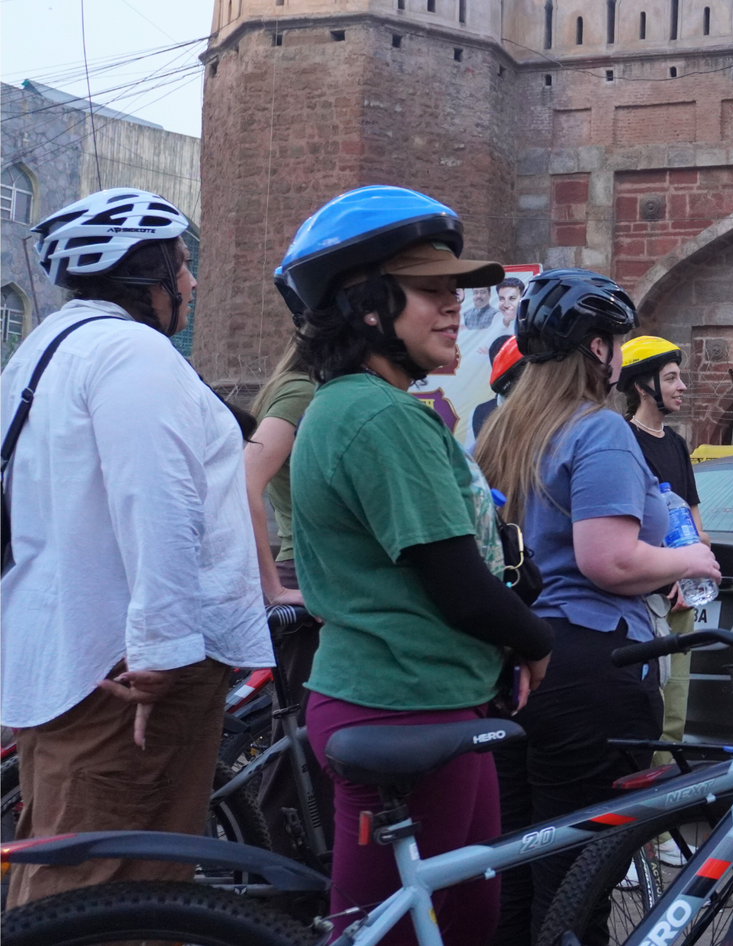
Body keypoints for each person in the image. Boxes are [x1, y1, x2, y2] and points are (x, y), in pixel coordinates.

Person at [281, 185, 555, 946]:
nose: (453, 308)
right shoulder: (377, 416)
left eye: (455, 292)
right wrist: (537, 642)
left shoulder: (376, 406)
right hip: (400, 707)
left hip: (432, 701)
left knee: (463, 921)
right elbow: (457, 583)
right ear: (368, 307)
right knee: (390, 932)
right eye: (431, 291)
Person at [1, 188, 275, 906]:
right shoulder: (132, 352)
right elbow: (158, 502)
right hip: (127, 668)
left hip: (68, 649)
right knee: (116, 883)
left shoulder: (45, 349)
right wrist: (161, 653)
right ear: (143, 275)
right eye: (180, 265)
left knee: (64, 863)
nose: (191, 282)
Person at [474, 270, 720, 946]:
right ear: (596, 348)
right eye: (616, 340)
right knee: (575, 888)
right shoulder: (599, 430)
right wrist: (691, 560)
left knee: (516, 877)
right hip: (590, 663)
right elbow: (609, 560)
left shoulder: (503, 433)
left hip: (515, 665)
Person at [244, 279, 336, 858]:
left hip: (307, 573)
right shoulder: (302, 393)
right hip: (304, 578)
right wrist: (273, 589)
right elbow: (245, 482)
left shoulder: (301, 387)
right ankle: (281, 883)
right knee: (302, 748)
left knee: (299, 739)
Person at [617, 335, 704, 783]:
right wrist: (669, 572)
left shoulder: (676, 443)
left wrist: (694, 571)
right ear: (642, 386)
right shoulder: (622, 440)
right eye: (671, 378)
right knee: (646, 707)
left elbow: (694, 518)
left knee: (675, 712)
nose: (681, 386)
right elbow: (622, 527)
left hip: (682, 595)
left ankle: (666, 804)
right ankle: (640, 814)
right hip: (644, 599)